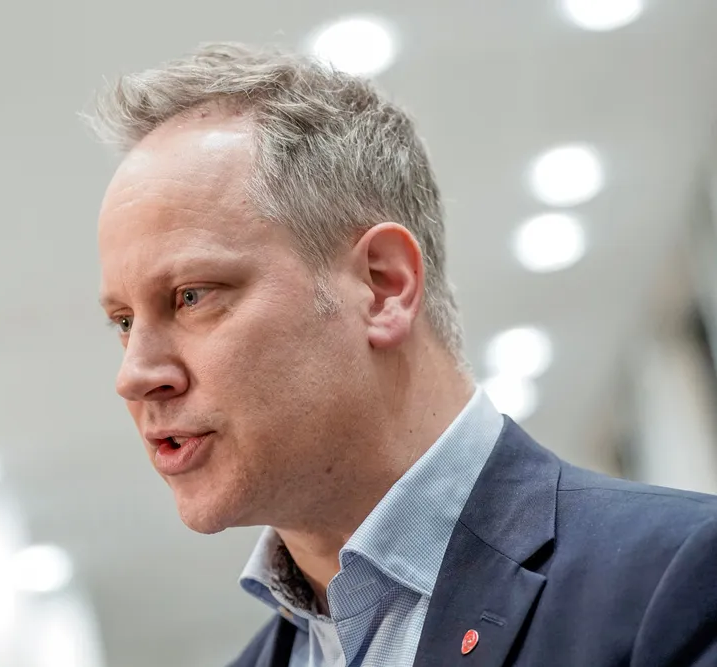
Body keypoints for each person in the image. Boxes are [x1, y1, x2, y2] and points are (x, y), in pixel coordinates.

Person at [89, 43, 717, 666]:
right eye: (123, 321)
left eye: (191, 296)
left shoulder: (676, 582)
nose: (134, 375)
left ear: (383, 287)